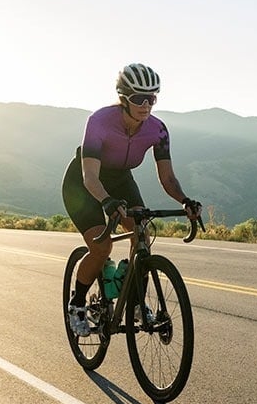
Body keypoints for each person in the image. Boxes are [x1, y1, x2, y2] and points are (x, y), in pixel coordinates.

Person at [62, 63, 203, 335]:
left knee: (141, 233)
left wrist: (185, 200)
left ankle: (136, 300)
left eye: (152, 98)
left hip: (122, 180)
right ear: (124, 97)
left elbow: (168, 179)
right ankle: (77, 304)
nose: (147, 105)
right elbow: (90, 177)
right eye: (140, 98)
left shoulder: (158, 130)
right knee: (101, 248)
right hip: (83, 185)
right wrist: (106, 202)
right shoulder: (99, 122)